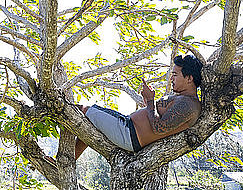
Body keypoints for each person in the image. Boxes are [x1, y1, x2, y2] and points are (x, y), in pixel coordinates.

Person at [75, 54, 203, 158]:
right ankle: (69, 159)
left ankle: (65, 159)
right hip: (127, 127)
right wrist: (147, 100)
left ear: (189, 78)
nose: (171, 79)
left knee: (80, 110)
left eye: (175, 75)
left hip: (129, 134)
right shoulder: (182, 98)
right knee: (88, 121)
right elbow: (152, 115)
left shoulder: (189, 105)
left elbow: (159, 128)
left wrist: (150, 100)